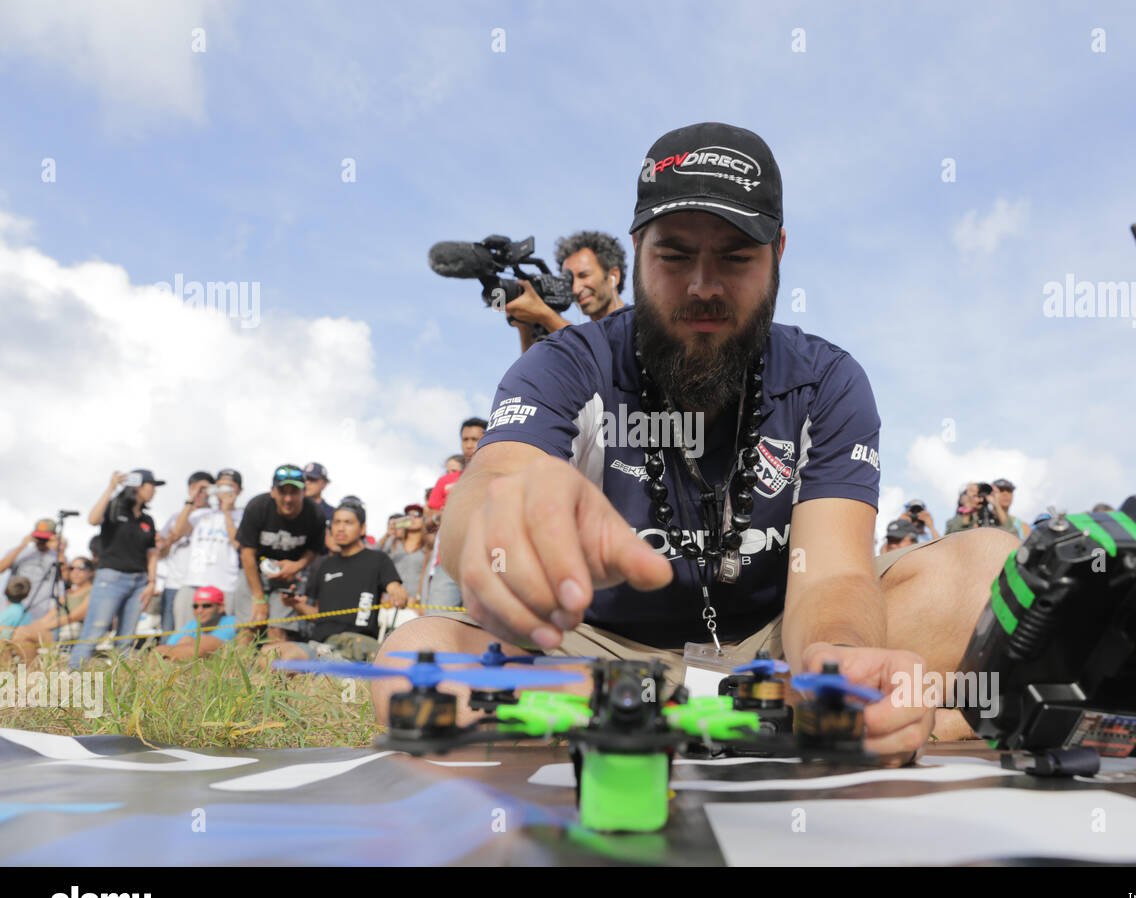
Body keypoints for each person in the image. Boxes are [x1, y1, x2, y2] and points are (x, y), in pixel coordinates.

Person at [374, 121, 1019, 759]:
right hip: (596, 652)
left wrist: (839, 660)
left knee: (987, 568)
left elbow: (832, 577)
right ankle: (761, 724)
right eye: (675, 256)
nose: (703, 286)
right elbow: (485, 492)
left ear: (779, 254)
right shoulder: (567, 361)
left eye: (736, 257)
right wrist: (499, 522)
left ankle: (797, 712)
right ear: (638, 250)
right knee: (415, 659)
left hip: (780, 652)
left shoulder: (828, 379)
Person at [266, 502, 406, 662]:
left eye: (348, 522)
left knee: (283, 656)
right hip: (320, 645)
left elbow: (396, 590)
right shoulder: (324, 565)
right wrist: (294, 604)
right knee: (268, 653)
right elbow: (318, 615)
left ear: (362, 528)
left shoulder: (378, 560)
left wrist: (398, 593)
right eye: (337, 522)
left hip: (358, 645)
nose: (340, 528)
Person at [72, 470, 164, 665]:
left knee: (126, 637)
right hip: (111, 578)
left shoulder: (147, 520)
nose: (154, 491)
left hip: (139, 582)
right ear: (139, 485)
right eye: (151, 485)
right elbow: (93, 519)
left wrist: (151, 582)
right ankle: (71, 680)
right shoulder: (115, 506)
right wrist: (111, 487)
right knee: (95, 631)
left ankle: (120, 682)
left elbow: (152, 552)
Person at [235, 465, 326, 644]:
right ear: (272, 492)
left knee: (279, 630)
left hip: (289, 576)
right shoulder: (257, 507)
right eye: (282, 491)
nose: (288, 498)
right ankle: (235, 671)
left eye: (294, 492)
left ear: (304, 492)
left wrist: (297, 566)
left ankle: (273, 670)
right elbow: (246, 554)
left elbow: (313, 550)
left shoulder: (315, 514)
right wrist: (259, 598)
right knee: (249, 626)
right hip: (253, 572)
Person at [504, 230, 629, 353]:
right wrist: (525, 326)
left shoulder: (636, 322)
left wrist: (545, 316)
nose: (575, 289)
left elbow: (604, 357)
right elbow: (532, 371)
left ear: (614, 275)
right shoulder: (578, 340)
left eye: (584, 275)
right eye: (570, 281)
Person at [421, 419, 486, 612]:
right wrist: (440, 516)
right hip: (449, 564)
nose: (469, 444)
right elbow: (428, 522)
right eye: (465, 439)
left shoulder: (499, 477)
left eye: (475, 439)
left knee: (483, 632)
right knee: (436, 625)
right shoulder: (446, 481)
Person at [173, 469, 245, 630]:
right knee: (183, 634)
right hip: (192, 582)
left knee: (220, 639)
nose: (224, 492)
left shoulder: (243, 515)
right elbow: (177, 533)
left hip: (225, 586)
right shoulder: (201, 514)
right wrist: (193, 497)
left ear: (239, 490)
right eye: (220, 487)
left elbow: (237, 544)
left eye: (229, 487)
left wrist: (226, 511)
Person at [155, 471, 214, 636]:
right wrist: (169, 541)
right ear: (189, 489)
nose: (200, 493)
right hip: (174, 584)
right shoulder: (175, 516)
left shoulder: (215, 515)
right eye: (197, 488)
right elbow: (161, 553)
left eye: (205, 489)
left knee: (198, 636)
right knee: (169, 634)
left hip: (201, 583)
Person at [3, 558, 94, 664]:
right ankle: (8, 674)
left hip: (68, 633)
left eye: (81, 568)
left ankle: (32, 672)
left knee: (20, 634)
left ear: (91, 572)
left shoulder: (92, 591)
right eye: (71, 568)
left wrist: (43, 626)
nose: (75, 572)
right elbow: (49, 616)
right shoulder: (67, 594)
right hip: (53, 630)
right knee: (6, 636)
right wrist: (31, 627)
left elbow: (75, 616)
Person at [0, 519, 65, 622]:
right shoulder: (21, 552)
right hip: (11, 611)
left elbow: (65, 577)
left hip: (39, 614)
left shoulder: (57, 557)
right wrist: (22, 545)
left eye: (45, 538)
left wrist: (59, 550)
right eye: (39, 537)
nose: (41, 541)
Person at [156, 586, 238, 661]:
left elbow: (197, 652)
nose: (199, 610)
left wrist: (162, 652)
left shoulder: (232, 623)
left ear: (221, 608)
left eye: (206, 606)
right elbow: (162, 651)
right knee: (186, 639)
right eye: (195, 606)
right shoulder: (191, 625)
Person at [0, 577, 32, 643]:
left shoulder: (9, 614)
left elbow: (3, 639)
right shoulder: (26, 612)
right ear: (26, 595)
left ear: (5, 591)